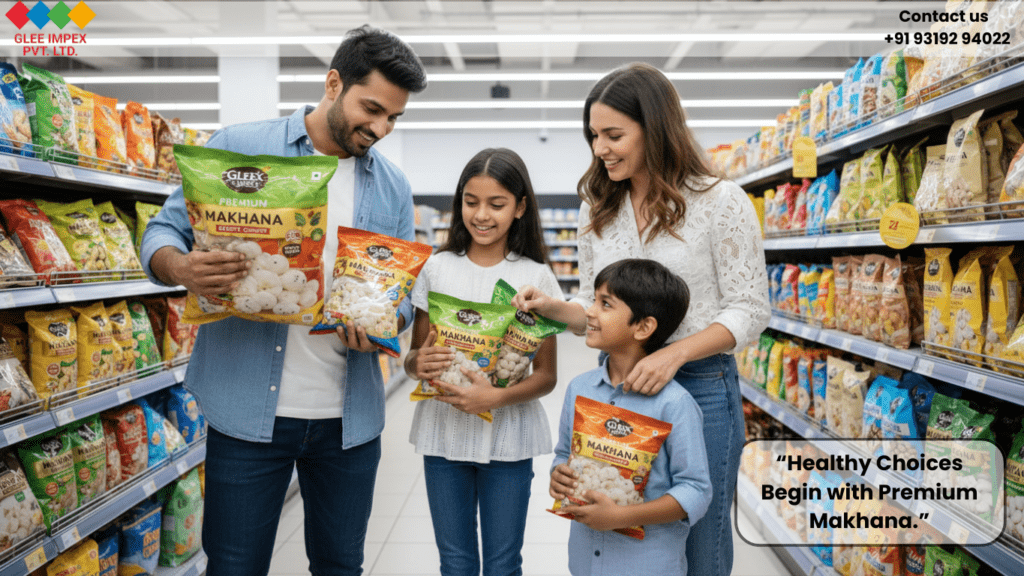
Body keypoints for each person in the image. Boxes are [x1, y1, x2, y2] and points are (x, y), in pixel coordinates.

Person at [140, 26, 427, 576]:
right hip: (247, 413)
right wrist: (181, 268)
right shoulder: (243, 146)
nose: (380, 128)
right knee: (235, 565)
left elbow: (404, 296)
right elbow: (161, 232)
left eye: (394, 117)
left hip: (348, 421)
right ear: (333, 83)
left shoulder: (392, 187)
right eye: (372, 109)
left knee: (341, 565)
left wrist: (388, 321)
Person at [513, 62, 770, 576]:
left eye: (614, 135)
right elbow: (595, 306)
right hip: (619, 391)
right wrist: (553, 308)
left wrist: (674, 355)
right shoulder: (597, 208)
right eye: (593, 136)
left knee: (701, 542)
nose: (600, 149)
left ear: (655, 129)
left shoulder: (720, 201)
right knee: (623, 531)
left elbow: (750, 308)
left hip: (699, 385)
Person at [404, 148, 560, 576]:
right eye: (471, 202)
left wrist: (494, 397)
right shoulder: (435, 269)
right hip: (443, 434)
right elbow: (414, 358)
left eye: (497, 204)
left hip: (509, 438)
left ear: (520, 207)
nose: (482, 215)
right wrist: (418, 364)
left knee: (503, 564)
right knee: (455, 563)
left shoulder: (537, 277)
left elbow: (547, 376)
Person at [549, 258, 712, 576]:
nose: (590, 311)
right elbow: (562, 455)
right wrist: (558, 475)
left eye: (605, 304)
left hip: (648, 566)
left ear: (643, 327)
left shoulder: (674, 404)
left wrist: (623, 517)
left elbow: (696, 490)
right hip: (585, 563)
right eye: (593, 300)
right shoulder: (580, 388)